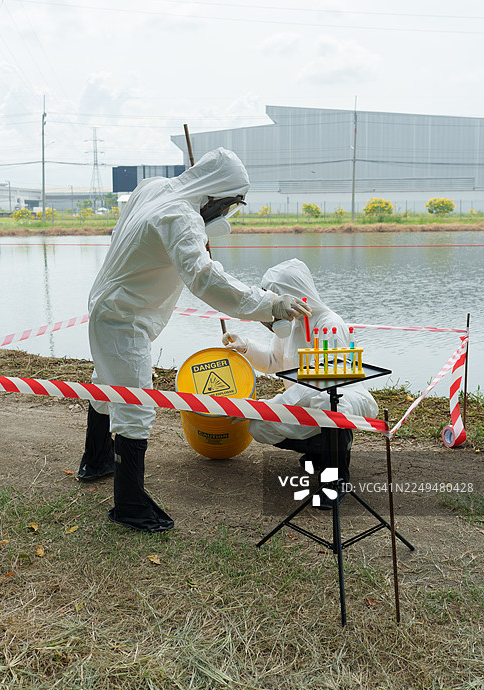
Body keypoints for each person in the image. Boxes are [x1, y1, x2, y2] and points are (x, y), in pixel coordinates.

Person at [78, 149, 311, 532]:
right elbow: (205, 280)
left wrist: (195, 237)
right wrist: (271, 304)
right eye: (229, 204)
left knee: (106, 385)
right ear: (213, 193)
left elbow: (139, 237)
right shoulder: (181, 217)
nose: (226, 213)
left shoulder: (155, 188)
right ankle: (130, 505)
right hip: (124, 318)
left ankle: (96, 460)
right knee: (135, 405)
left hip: (108, 302)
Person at [222, 258, 378, 508]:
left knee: (328, 403)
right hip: (303, 402)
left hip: (341, 400)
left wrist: (266, 406)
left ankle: (336, 480)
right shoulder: (290, 326)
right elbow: (275, 361)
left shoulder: (330, 325)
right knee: (259, 427)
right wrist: (245, 348)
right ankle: (322, 451)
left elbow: (321, 383)